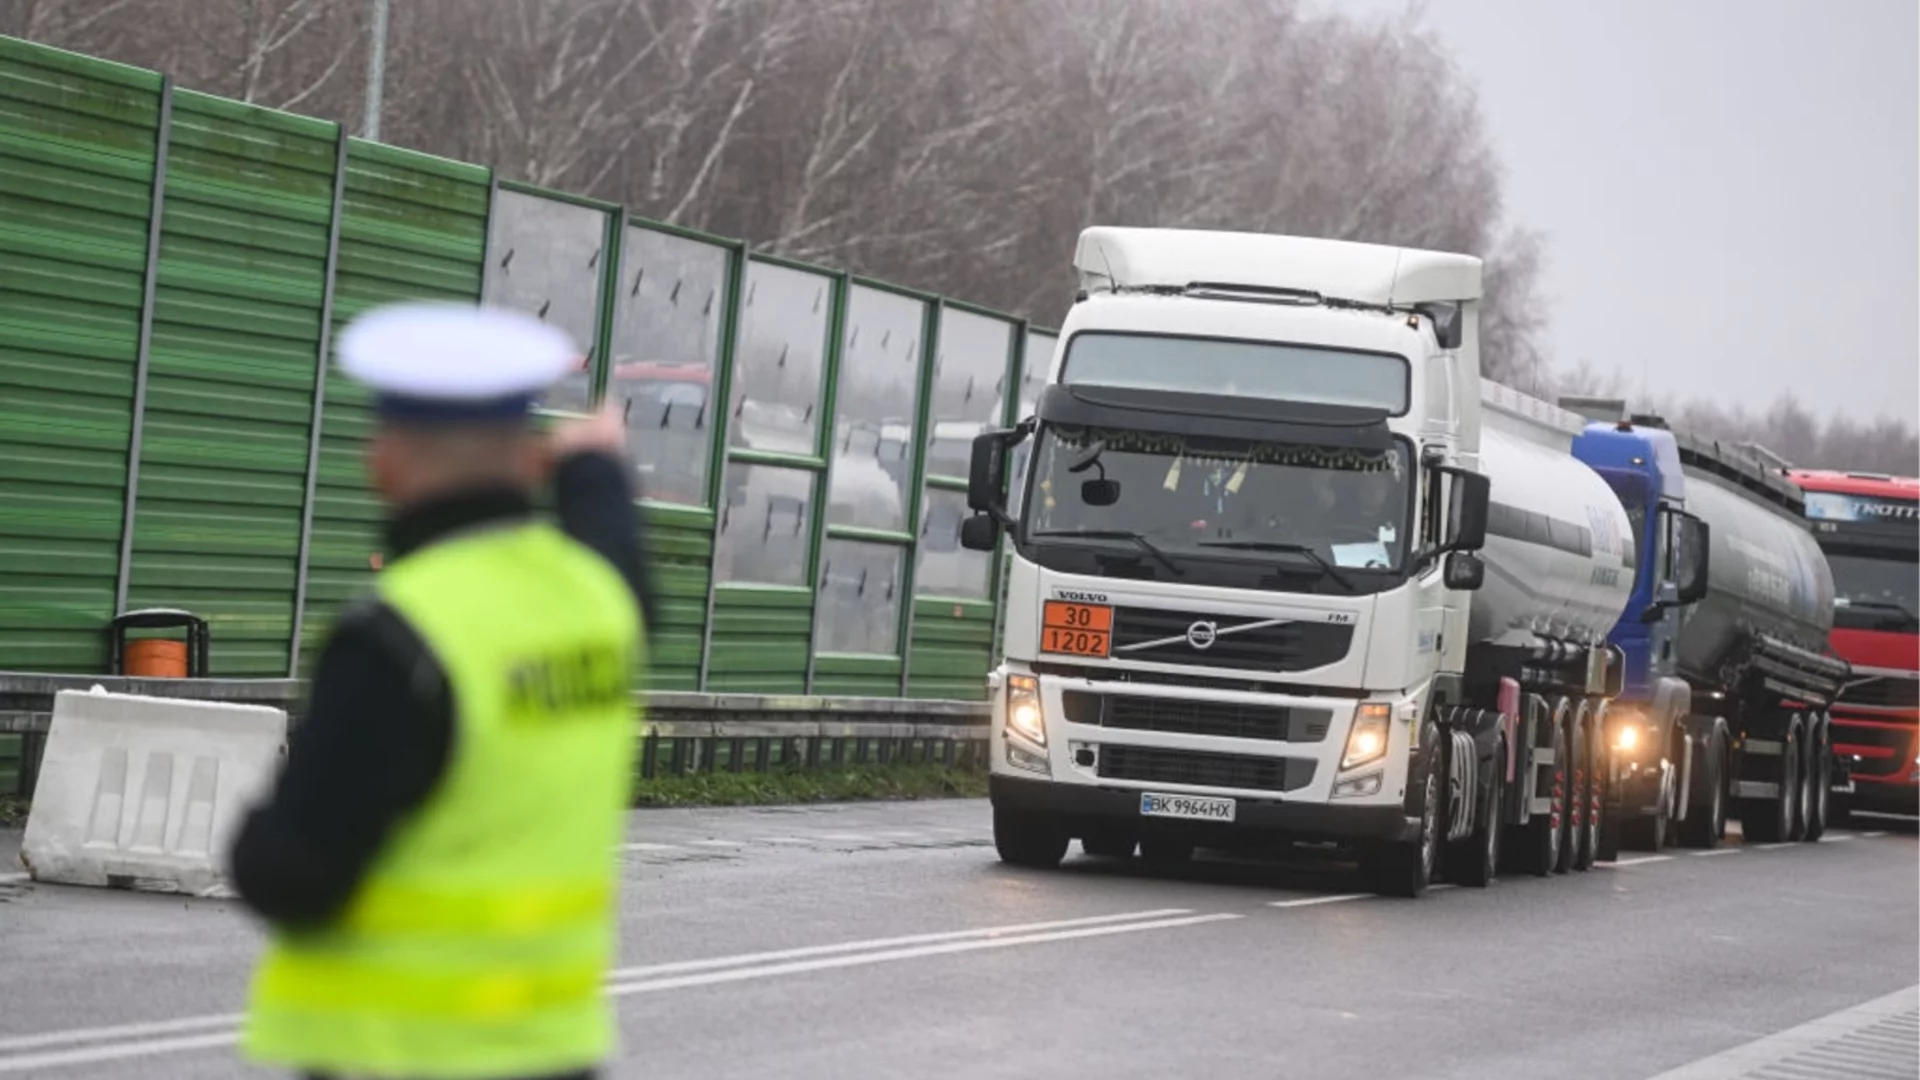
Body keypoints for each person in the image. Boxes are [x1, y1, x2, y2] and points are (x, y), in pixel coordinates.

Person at [228, 301, 656, 1080]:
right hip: (552, 1050)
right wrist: (594, 466)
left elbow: (295, 873)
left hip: (399, 1055)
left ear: (381, 463)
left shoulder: (398, 635)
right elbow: (616, 547)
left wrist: (251, 833)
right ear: (529, 461)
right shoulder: (600, 605)